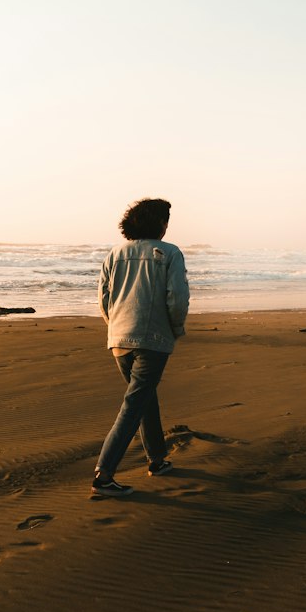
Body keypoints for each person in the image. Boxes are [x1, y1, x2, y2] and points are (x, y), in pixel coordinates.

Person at [92, 197, 190, 497]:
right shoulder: (169, 252)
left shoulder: (115, 253)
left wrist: (115, 326)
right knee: (134, 404)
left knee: (144, 398)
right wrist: (175, 328)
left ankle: (157, 459)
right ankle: (104, 474)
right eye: (165, 221)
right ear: (159, 224)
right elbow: (177, 297)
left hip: (119, 338)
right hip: (153, 339)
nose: (167, 226)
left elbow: (104, 298)